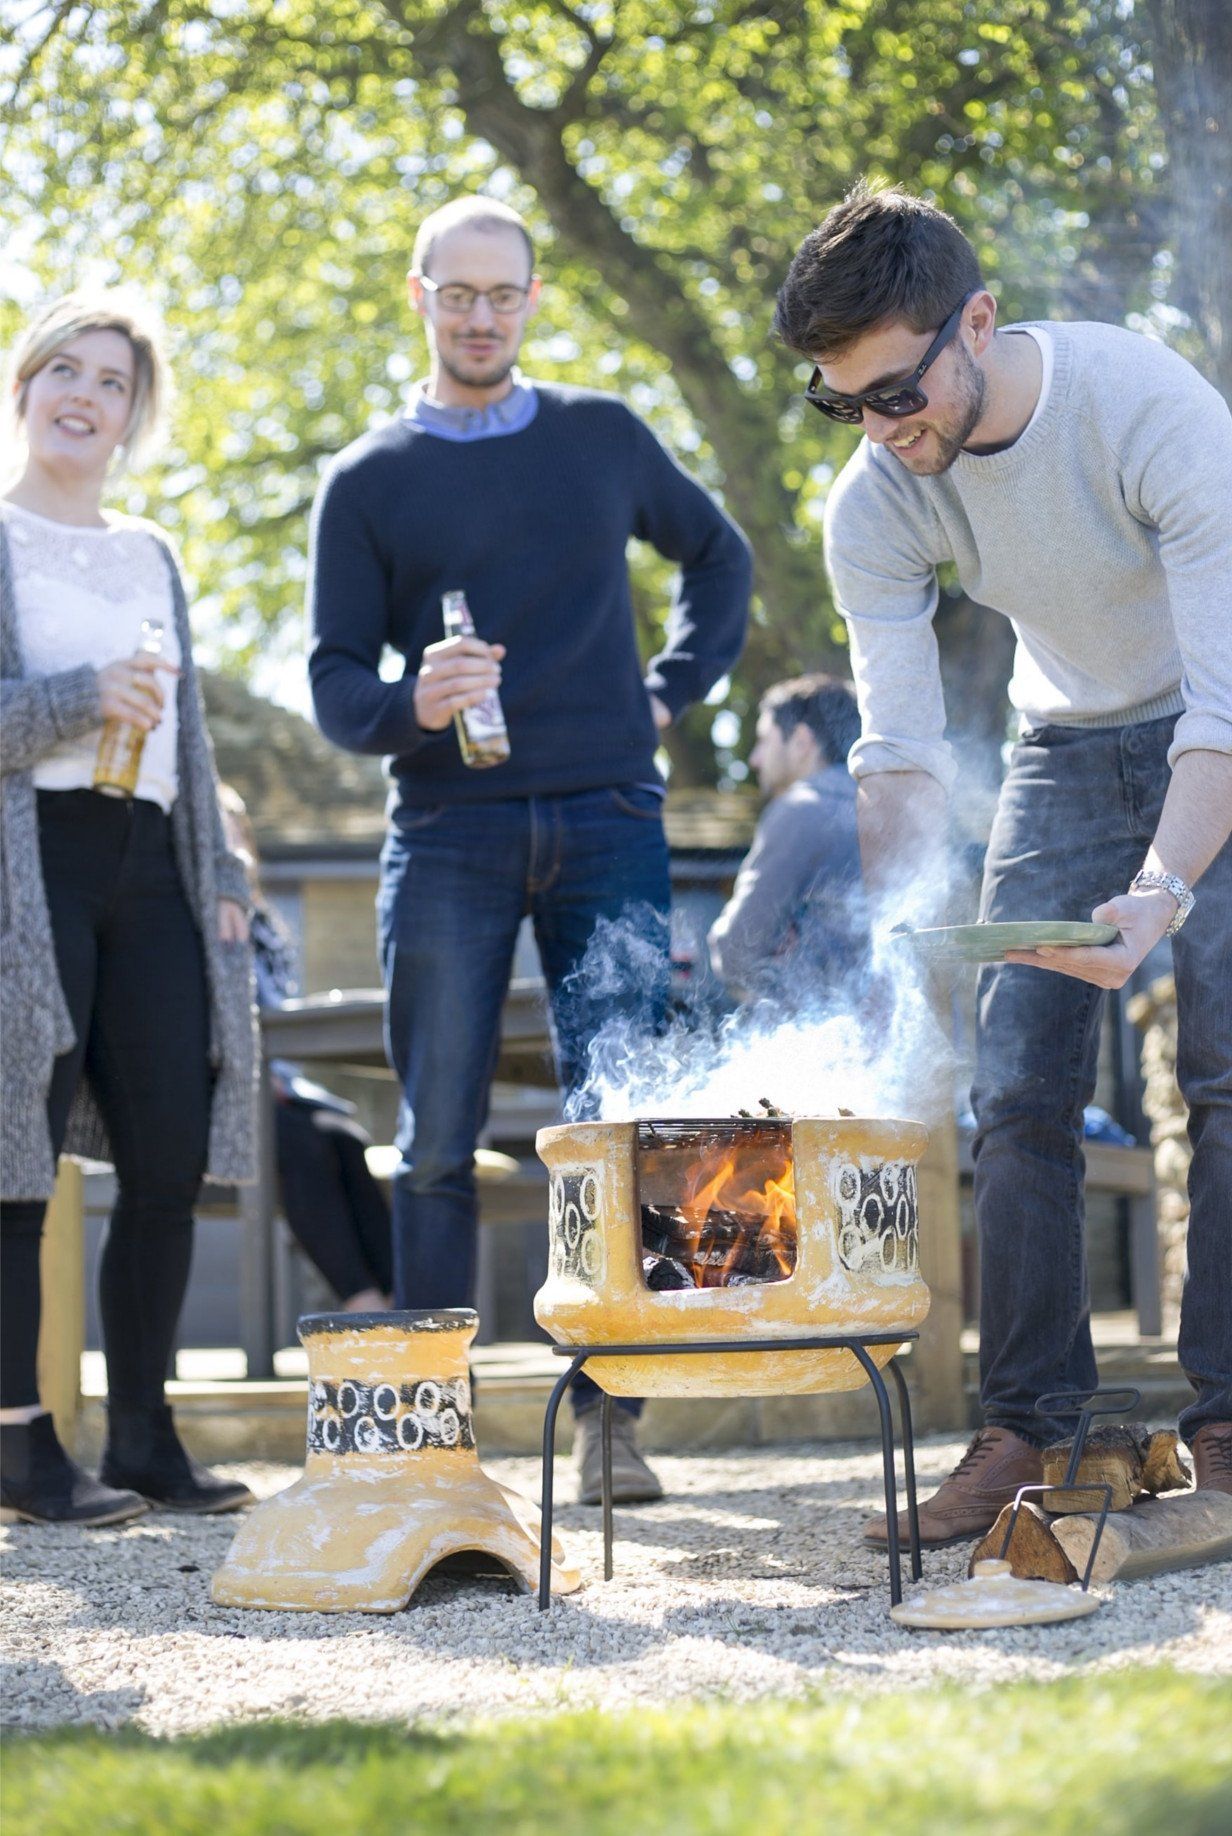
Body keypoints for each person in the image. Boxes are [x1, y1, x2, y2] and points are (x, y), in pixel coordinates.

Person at [774, 182, 1232, 1541]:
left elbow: (1223, 710)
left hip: (1210, 732)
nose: (881, 428)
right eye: (844, 403)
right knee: (1018, 1090)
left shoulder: (1151, 410)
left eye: (899, 391)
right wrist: (900, 938)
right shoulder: (876, 497)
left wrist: (1160, 894)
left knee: (1224, 1071)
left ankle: (1226, 1427)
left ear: (979, 319)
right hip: (1064, 742)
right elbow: (901, 749)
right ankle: (1029, 1430)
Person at [309, 196, 752, 1505]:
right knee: (437, 1139)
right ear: (421, 296)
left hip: (613, 816)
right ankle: (432, 1439)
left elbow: (718, 559)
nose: (483, 316)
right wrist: (412, 709)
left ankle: (613, 1420)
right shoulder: (369, 479)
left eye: (504, 294)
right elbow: (335, 680)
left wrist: (667, 695)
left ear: (535, 297)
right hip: (445, 833)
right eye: (459, 294)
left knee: (624, 1125)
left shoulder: (602, 437)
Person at [0, 292, 257, 1525]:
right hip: (26, 872)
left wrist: (220, 878)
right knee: (13, 1165)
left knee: (169, 1153)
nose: (82, 395)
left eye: (109, 380)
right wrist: (76, 696)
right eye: (63, 369)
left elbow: (189, 743)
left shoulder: (152, 551)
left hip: (151, 865)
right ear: (24, 389)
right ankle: (18, 1443)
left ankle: (146, 1436)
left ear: (132, 415)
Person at [219, 786, 392, 1313]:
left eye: (235, 835)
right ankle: (361, 1302)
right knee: (301, 1146)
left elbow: (280, 1014)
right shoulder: (187, 915)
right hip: (224, 1089)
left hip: (280, 1084)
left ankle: (394, 1297)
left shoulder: (265, 926)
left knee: (346, 1136)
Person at [708, 673, 864, 999]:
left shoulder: (800, 810)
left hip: (823, 1028)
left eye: (764, 740)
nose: (754, 759)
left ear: (801, 742)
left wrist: (782, 956)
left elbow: (736, 951)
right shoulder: (884, 805)